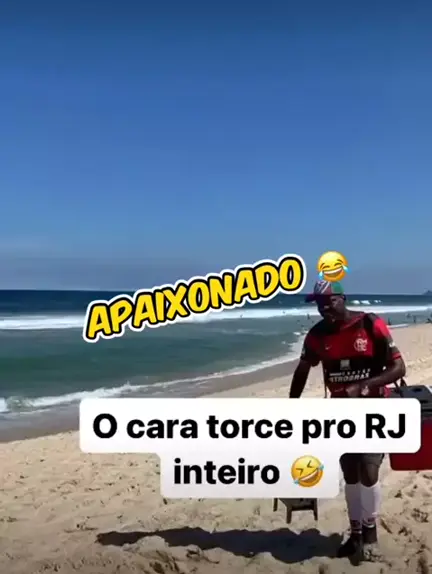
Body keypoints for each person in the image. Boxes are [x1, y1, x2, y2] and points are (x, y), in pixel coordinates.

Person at [289, 280, 406, 562]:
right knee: (350, 472)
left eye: (329, 302)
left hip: (374, 409)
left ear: (343, 299)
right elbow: (302, 369)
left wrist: (365, 386)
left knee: (368, 469)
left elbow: (398, 368)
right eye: (319, 304)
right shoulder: (317, 335)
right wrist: (291, 405)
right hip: (340, 414)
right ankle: (355, 534)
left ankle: (371, 534)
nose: (324, 309)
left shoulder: (370, 324)